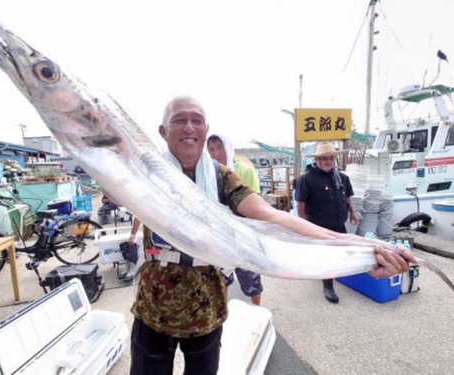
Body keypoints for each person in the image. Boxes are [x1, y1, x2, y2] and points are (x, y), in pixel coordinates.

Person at [129, 95, 414, 375]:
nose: (189, 128)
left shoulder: (222, 177)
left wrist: (364, 244)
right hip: (153, 307)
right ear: (163, 131)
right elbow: (109, 182)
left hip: (206, 308)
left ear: (206, 129)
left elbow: (271, 215)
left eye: (197, 121)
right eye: (180, 120)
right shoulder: (144, 172)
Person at [295, 143, 360, 304]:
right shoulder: (306, 178)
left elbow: (347, 198)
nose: (328, 161)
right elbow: (300, 204)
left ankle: (327, 273)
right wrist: (302, 226)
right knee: (327, 256)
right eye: (324, 158)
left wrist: (352, 212)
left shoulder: (342, 177)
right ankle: (328, 286)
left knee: (344, 252)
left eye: (331, 158)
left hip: (339, 223)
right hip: (318, 225)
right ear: (317, 159)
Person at [207, 133, 263, 305]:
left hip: (243, 234)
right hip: (219, 235)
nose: (216, 153)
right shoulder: (208, 172)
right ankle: (223, 312)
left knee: (250, 276)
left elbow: (257, 203)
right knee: (220, 276)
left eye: (219, 147)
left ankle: (257, 309)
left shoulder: (243, 169)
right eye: (211, 149)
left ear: (228, 147)